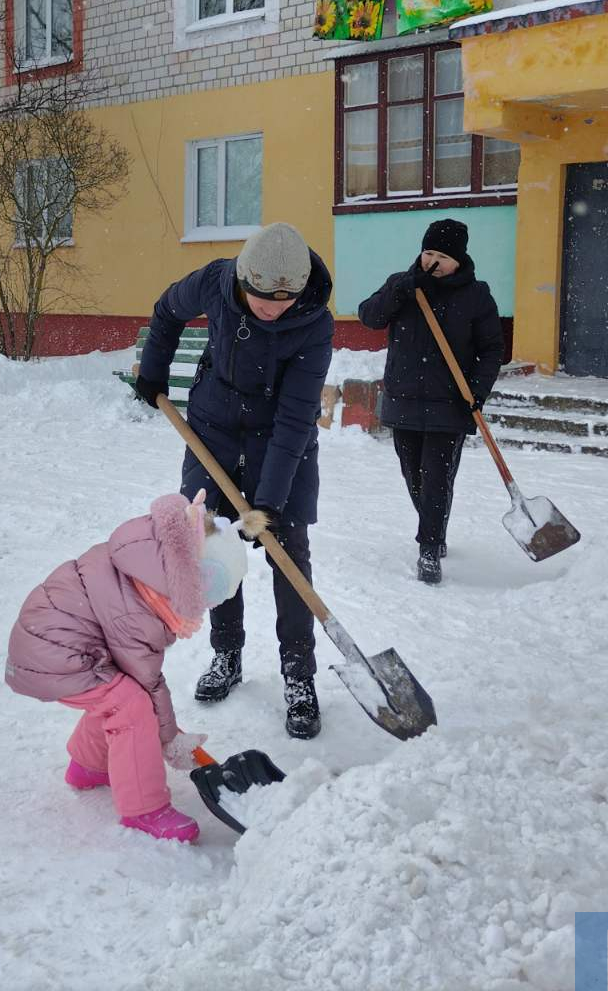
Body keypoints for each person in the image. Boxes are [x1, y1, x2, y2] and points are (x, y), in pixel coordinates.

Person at [133, 222, 334, 740]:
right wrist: (153, 370)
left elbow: (294, 419)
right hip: (212, 431)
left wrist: (266, 502)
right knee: (210, 548)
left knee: (289, 556)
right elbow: (166, 310)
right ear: (244, 281)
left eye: (283, 300)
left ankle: (299, 676)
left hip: (279, 443)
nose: (273, 309)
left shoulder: (314, 323)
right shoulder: (216, 282)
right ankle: (227, 654)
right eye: (263, 299)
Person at [5, 491, 256, 843]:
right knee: (132, 707)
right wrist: (171, 740)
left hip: (54, 644)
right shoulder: (138, 610)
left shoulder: (145, 566)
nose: (205, 607)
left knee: (115, 692)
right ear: (189, 579)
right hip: (55, 655)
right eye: (209, 595)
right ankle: (144, 809)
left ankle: (89, 767)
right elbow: (147, 682)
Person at [357, 219, 504, 585]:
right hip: (403, 400)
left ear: (458, 260)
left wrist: (477, 391)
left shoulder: (476, 295)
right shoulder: (402, 284)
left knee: (437, 478)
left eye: (441, 256)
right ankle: (432, 529)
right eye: (427, 253)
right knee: (414, 477)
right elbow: (369, 316)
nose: (431, 262)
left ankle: (429, 546)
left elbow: (491, 349)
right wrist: (401, 291)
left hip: (449, 405)